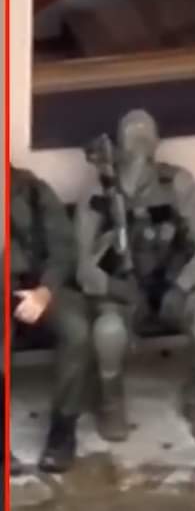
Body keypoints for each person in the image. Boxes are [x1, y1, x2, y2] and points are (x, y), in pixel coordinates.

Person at [74, 109, 195, 441]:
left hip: (175, 285)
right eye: (131, 139)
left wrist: (182, 286)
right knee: (108, 332)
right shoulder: (100, 190)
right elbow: (83, 264)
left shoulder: (178, 182)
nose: (138, 148)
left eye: (145, 138)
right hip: (121, 293)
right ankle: (111, 404)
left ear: (158, 143)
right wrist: (119, 289)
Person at [7, 166, 90, 472]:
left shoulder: (32, 189)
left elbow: (63, 248)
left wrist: (44, 291)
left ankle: (63, 433)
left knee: (76, 331)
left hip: (37, 286)